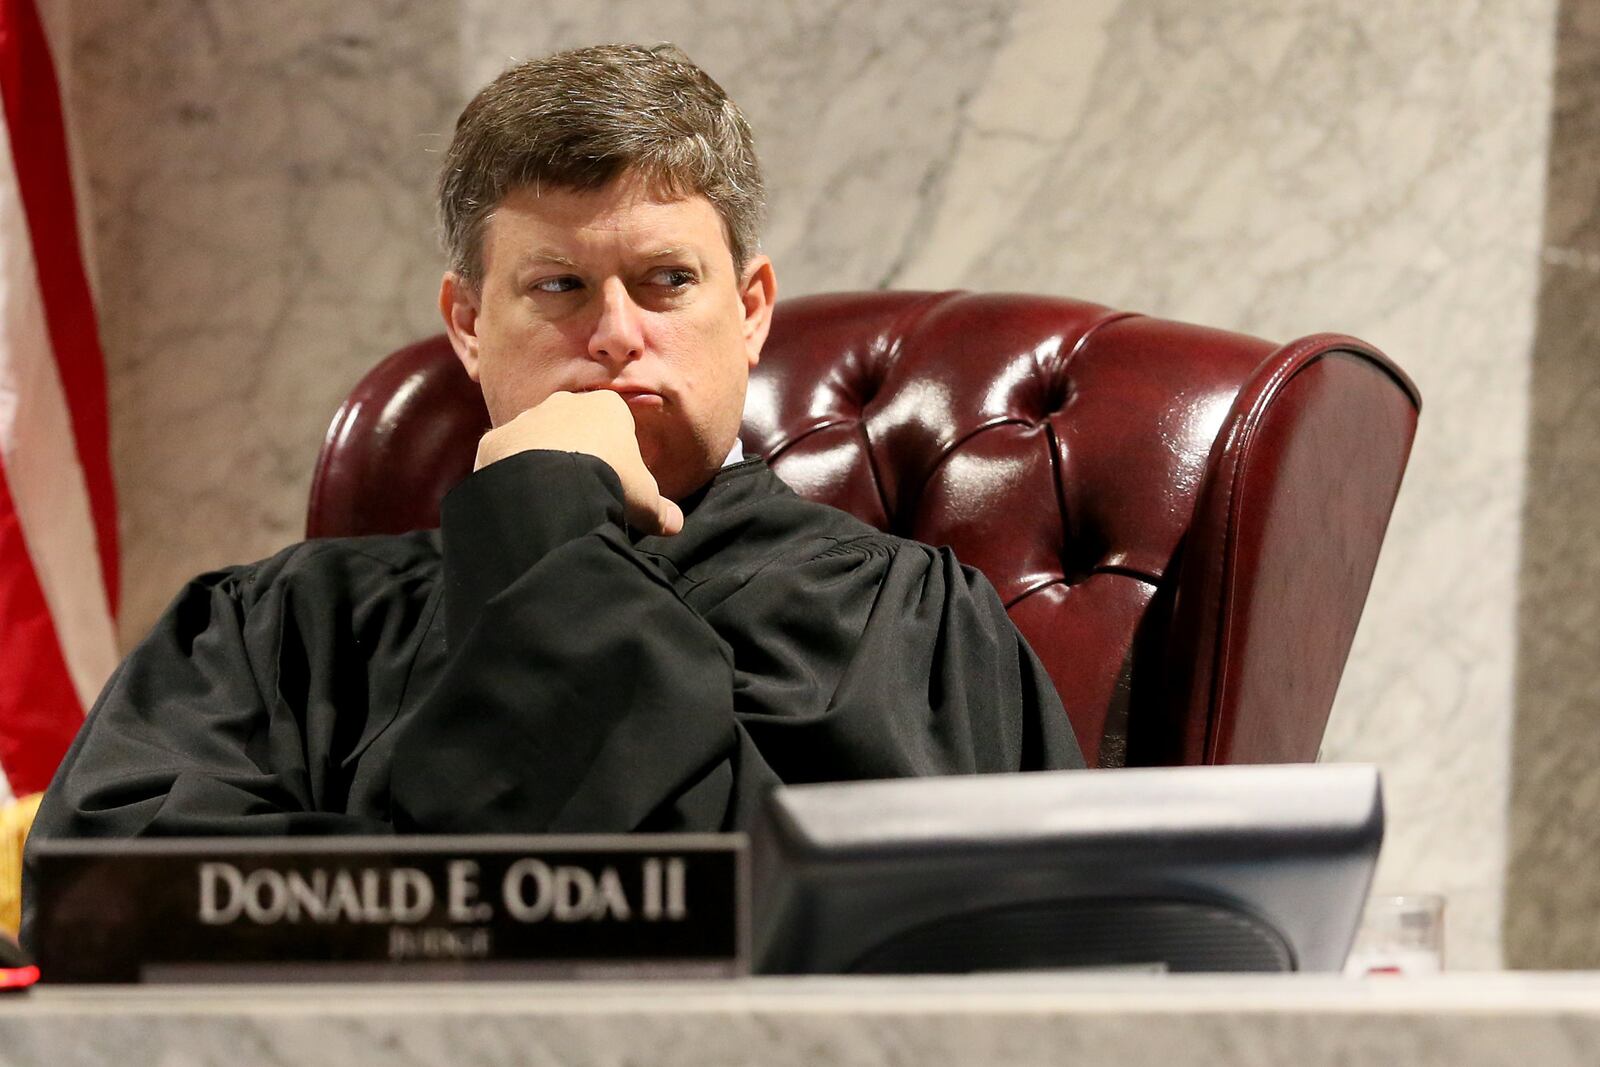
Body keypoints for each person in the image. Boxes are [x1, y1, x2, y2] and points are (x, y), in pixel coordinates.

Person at [21, 43, 1083, 944]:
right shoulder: (276, 626)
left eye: (667, 281)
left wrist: (543, 511)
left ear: (751, 308)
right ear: (469, 324)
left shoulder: (909, 621)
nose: (618, 333)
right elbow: (109, 913)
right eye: (559, 286)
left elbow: (727, 931)